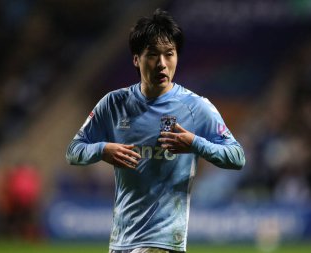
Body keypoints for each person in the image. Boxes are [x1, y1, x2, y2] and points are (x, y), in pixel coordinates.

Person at [66, 8, 245, 253]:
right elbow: (74, 151)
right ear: (136, 59)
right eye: (152, 55)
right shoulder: (113, 104)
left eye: (169, 54)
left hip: (164, 242)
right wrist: (102, 149)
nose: (162, 63)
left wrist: (195, 143)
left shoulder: (195, 107)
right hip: (122, 241)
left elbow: (237, 157)